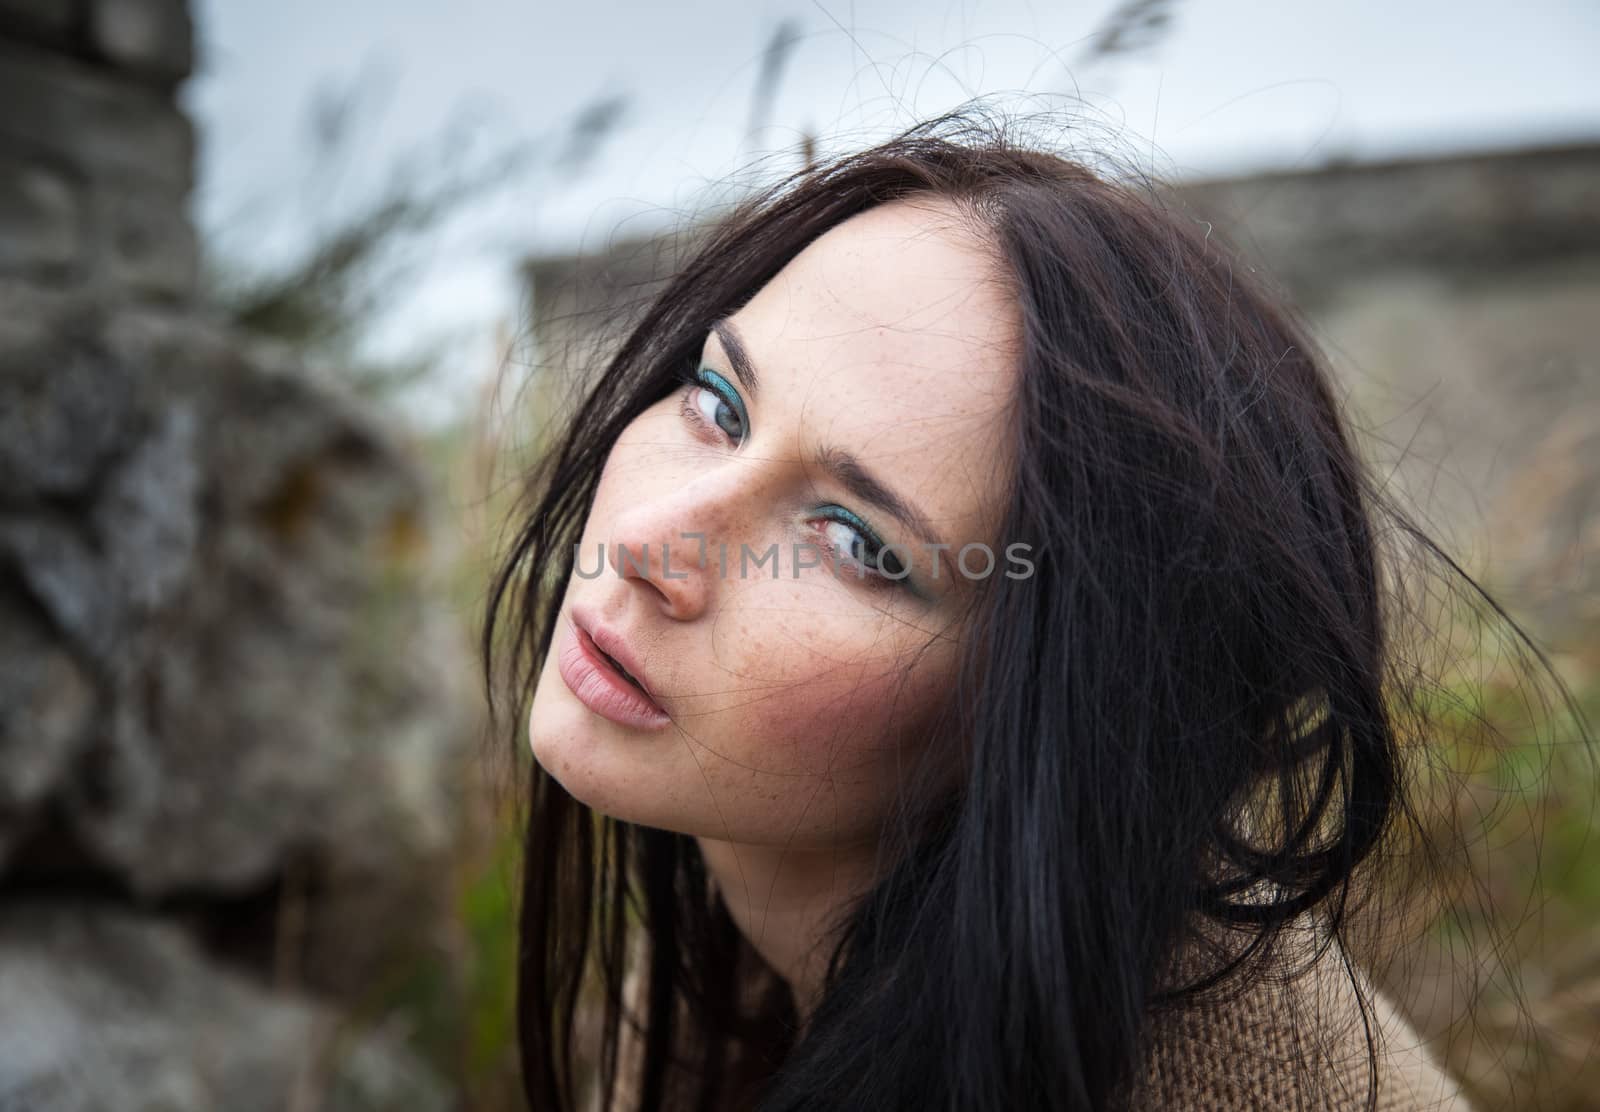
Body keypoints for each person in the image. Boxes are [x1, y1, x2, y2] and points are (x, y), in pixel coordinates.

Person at [484, 113, 1582, 1110]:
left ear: (1048, 707)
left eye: (857, 542)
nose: (644, 541)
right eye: (717, 402)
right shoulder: (748, 893)